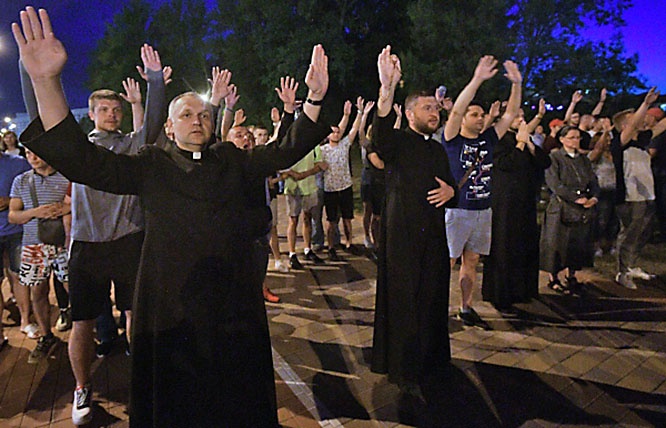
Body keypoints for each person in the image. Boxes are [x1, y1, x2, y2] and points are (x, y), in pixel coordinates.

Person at [13, 9, 330, 426]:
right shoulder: (150, 165)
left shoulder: (232, 159)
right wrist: (45, 81)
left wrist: (315, 99)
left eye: (203, 115)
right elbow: (84, 162)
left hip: (232, 301)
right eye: (185, 114)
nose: (196, 121)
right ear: (168, 124)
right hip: (169, 304)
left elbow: (286, 149)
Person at [19, 40, 167, 424]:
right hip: (87, 245)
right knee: (83, 321)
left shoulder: (132, 146)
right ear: (92, 113)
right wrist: (30, 72)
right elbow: (42, 125)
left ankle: (141, 380)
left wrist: (155, 81)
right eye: (104, 109)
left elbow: (150, 124)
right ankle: (82, 388)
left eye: (117, 109)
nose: (113, 114)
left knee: (136, 311)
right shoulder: (80, 150)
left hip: (131, 240)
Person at [370, 46, 457, 400]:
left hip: (434, 239)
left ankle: (431, 361)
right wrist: (387, 89)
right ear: (408, 114)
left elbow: (451, 185)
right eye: (427, 107)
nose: (434, 112)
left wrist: (452, 191)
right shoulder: (398, 143)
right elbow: (378, 136)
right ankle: (404, 370)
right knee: (405, 302)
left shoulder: (437, 149)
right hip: (403, 240)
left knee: (433, 298)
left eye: (436, 108)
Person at [443, 55, 523, 327]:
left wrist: (517, 85)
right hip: (457, 211)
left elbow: (511, 114)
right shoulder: (452, 139)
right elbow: (454, 112)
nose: (479, 119)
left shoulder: (489, 139)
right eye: (473, 115)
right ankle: (432, 305)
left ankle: (465, 307)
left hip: (482, 211)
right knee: (448, 261)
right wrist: (477, 79)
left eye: (481, 115)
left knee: (472, 261)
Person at [482, 117, 550, 312]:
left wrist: (528, 143)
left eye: (523, 116)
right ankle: (500, 293)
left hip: (525, 200)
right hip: (504, 201)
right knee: (504, 244)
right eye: (517, 116)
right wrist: (519, 143)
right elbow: (506, 164)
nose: (521, 120)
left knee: (524, 242)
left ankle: (523, 290)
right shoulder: (497, 140)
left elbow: (544, 162)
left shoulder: (525, 138)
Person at [9, 149, 71, 363]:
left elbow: (79, 205)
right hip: (33, 245)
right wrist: (36, 212)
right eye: (27, 154)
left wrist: (64, 209)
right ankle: (46, 335)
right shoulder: (21, 181)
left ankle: (84, 332)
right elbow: (13, 215)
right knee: (37, 291)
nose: (32, 158)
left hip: (64, 243)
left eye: (36, 153)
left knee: (74, 287)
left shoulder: (67, 176)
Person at [611, 88, 666, 289]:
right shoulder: (620, 143)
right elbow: (633, 124)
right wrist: (645, 104)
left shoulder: (643, 141)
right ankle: (622, 272)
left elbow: (662, 126)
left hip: (646, 195)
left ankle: (632, 265)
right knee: (629, 234)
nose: (641, 119)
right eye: (634, 118)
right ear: (624, 125)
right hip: (629, 197)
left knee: (642, 233)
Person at [540, 126, 599, 295]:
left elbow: (593, 181)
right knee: (556, 243)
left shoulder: (584, 160)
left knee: (576, 244)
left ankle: (572, 275)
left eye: (578, 137)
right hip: (562, 207)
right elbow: (555, 184)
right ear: (562, 139)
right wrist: (574, 197)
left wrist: (593, 197)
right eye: (572, 137)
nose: (575, 140)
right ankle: (554, 278)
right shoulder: (555, 158)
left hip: (581, 208)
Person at [0, 148, 31, 348]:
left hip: (16, 230)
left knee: (20, 276)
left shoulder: (19, 163)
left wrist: (10, 201)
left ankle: (26, 320)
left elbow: (34, 190)